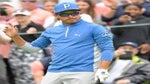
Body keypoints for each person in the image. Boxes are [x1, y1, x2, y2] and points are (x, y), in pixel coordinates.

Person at [4, 2, 114, 84]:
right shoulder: (51, 31)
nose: (71, 16)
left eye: (74, 13)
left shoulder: (95, 28)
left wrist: (103, 68)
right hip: (55, 70)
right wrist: (15, 37)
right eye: (66, 14)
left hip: (84, 70)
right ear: (57, 16)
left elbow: (108, 48)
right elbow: (32, 48)